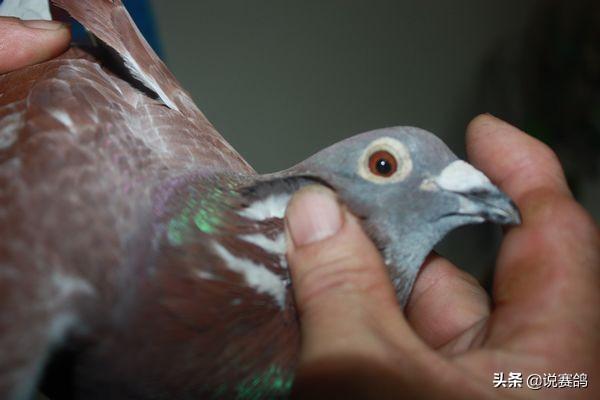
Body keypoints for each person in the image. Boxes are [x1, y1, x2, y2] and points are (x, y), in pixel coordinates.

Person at [1, 16, 598, 399]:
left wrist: (561, 383)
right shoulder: (75, 245)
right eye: (384, 168)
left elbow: (548, 382)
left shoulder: (330, 367)